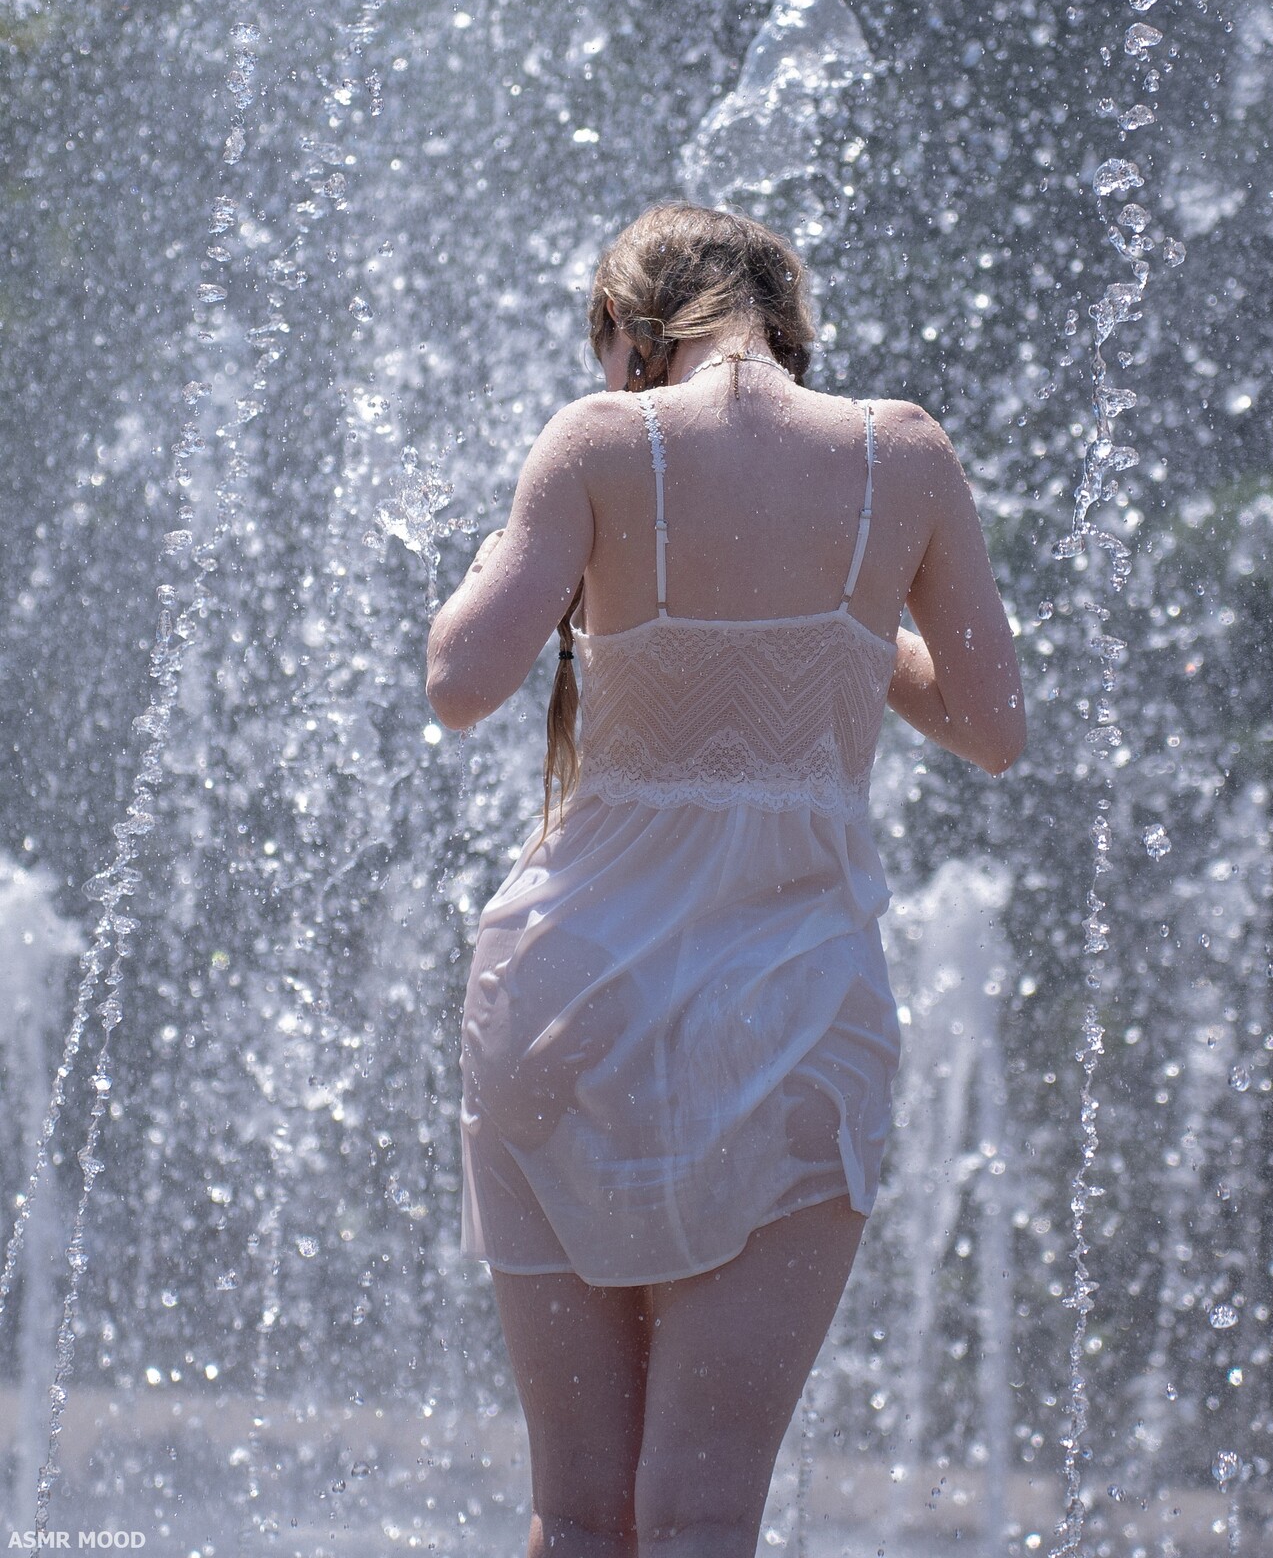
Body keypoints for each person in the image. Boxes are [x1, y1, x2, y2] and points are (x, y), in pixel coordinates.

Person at [425, 202, 1025, 1558]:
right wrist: (838, 627)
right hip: (789, 1009)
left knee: (578, 1512)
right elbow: (992, 727)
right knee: (701, 1513)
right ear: (792, 329)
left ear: (625, 332)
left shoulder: (595, 443)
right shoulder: (902, 455)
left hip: (568, 996)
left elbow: (460, 683)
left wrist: (495, 565)